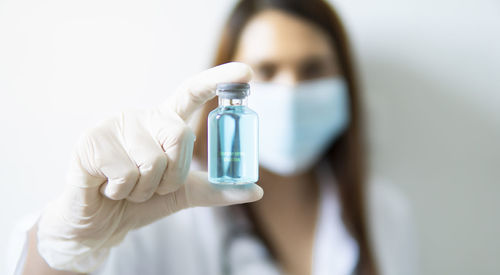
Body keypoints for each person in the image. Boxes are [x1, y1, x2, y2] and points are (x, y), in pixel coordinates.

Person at [10, 0, 416, 275]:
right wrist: (67, 244)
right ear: (227, 84)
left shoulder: (386, 214)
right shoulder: (160, 206)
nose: (291, 92)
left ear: (344, 81)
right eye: (267, 70)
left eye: (312, 70)